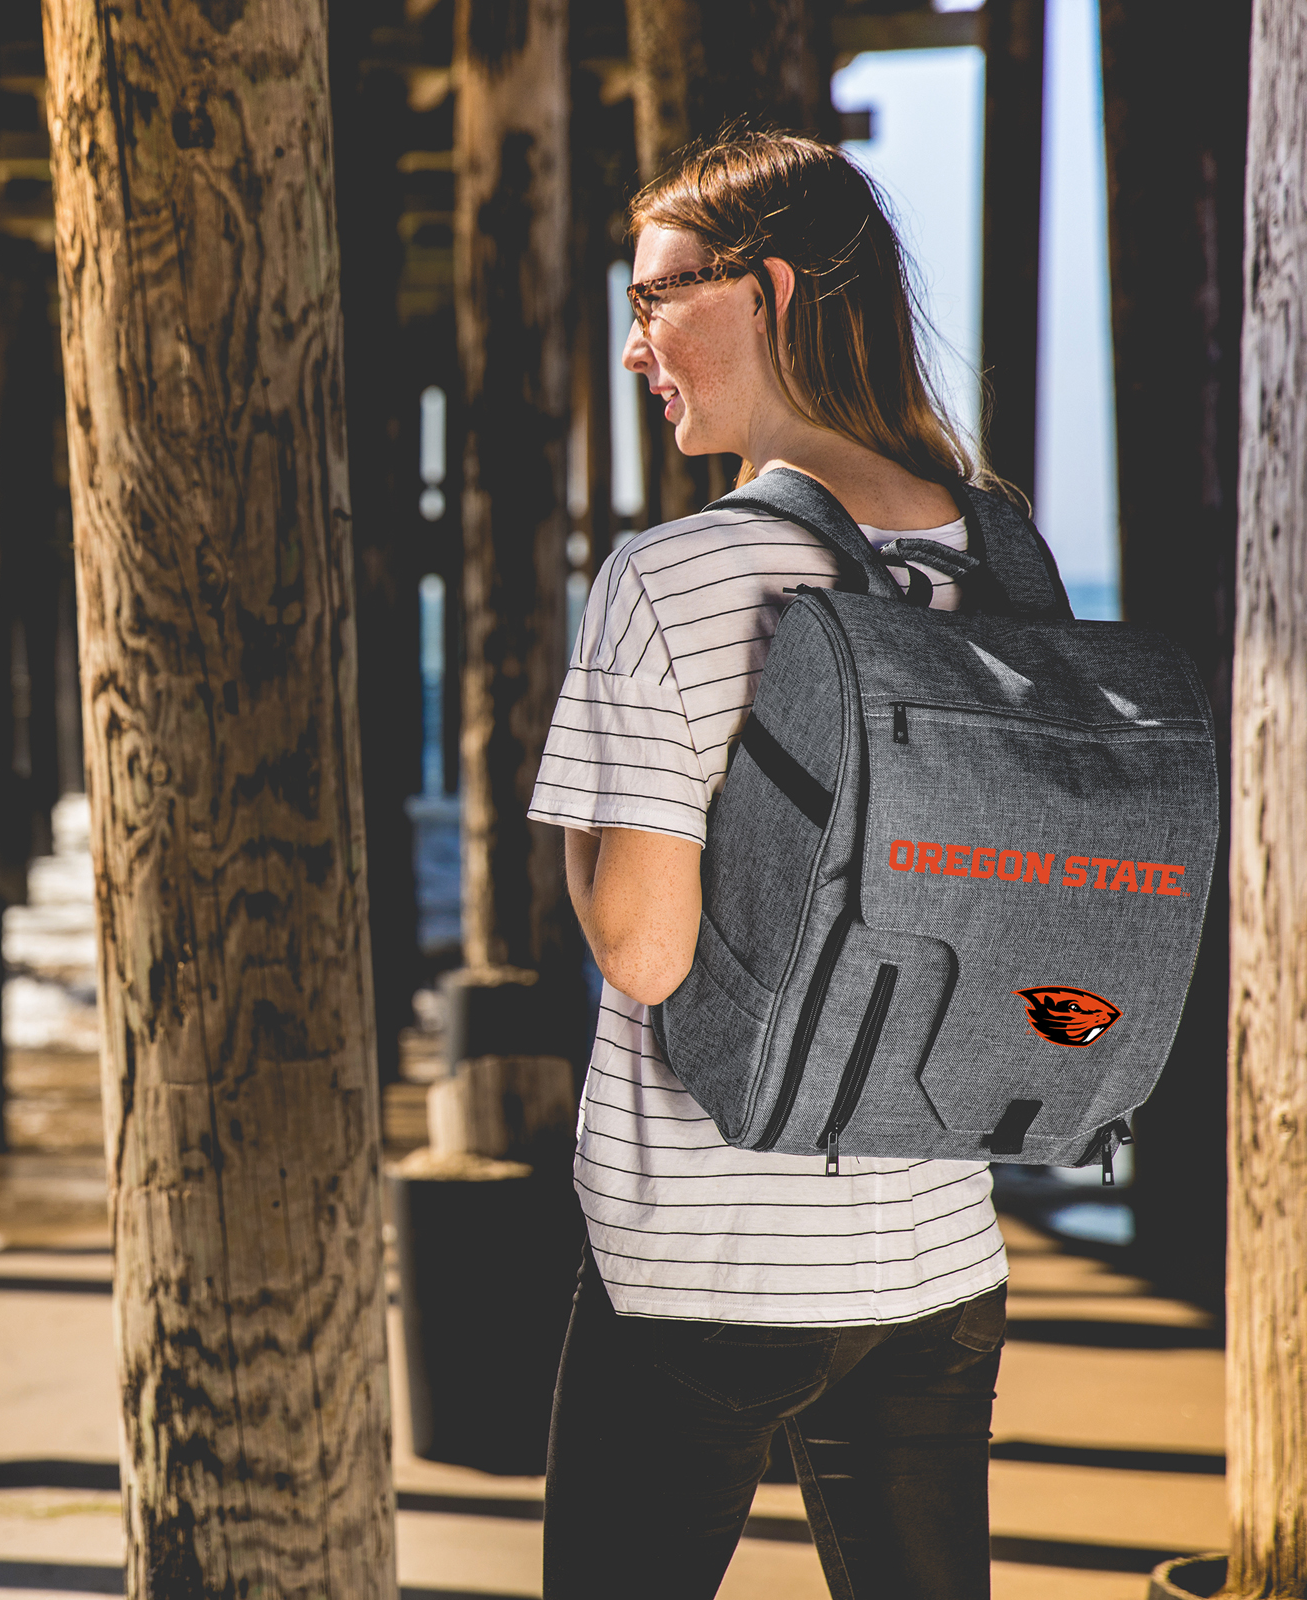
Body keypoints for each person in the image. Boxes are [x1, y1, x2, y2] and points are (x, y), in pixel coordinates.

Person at [530, 133, 1015, 1600]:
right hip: (938, 1258)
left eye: (657, 298)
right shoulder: (1007, 555)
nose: (635, 348)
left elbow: (646, 951)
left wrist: (584, 829)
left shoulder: (674, 576)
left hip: (707, 1261)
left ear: (775, 290)